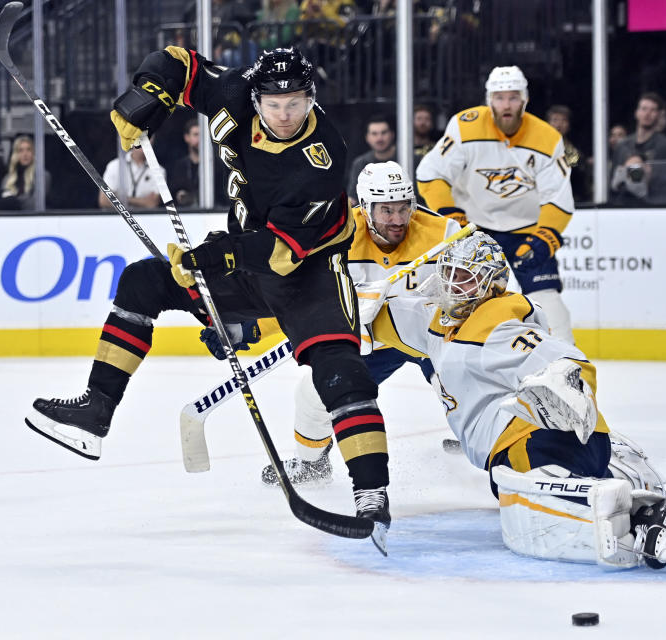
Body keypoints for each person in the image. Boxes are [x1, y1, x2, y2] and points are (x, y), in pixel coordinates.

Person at [25, 47, 393, 543]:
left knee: (341, 374)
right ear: (256, 97)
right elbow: (179, 62)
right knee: (143, 281)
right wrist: (145, 97)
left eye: (296, 103)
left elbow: (280, 251)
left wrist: (210, 259)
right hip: (244, 262)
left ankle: (372, 496)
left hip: (310, 275)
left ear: (311, 99)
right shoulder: (235, 93)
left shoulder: (321, 158)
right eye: (274, 103)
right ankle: (96, 411)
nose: (285, 114)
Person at [368, 231, 666, 569]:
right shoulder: (440, 320)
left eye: (466, 278)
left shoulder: (495, 324)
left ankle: (644, 514)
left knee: (546, 506)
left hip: (535, 442)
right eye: (449, 274)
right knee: (540, 494)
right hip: (546, 443)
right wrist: (353, 305)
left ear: (491, 285)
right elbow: (387, 320)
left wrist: (567, 384)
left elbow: (569, 362)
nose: (454, 286)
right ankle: (645, 504)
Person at [257, 160, 462, 485]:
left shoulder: (445, 233)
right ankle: (311, 465)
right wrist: (254, 328)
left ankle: (487, 443)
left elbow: (482, 287)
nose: (398, 220)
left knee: (466, 381)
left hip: (432, 335)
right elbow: (299, 297)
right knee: (314, 393)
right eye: (386, 211)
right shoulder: (336, 237)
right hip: (373, 339)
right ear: (365, 208)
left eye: (403, 208)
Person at [416, 65, 577, 342]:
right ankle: (457, 350)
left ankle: (566, 360)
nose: (506, 104)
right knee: (464, 297)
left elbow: (558, 196)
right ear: (489, 100)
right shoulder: (465, 126)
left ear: (524, 101)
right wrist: (451, 216)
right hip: (475, 231)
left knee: (546, 297)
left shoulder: (547, 138)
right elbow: (430, 174)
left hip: (527, 230)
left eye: (513, 97)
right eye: (500, 97)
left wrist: (545, 237)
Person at [610, 92, 666, 205]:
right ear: (636, 113)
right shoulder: (622, 146)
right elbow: (612, 183)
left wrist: (650, 175)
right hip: (622, 207)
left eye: (652, 110)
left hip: (653, 207)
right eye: (644, 109)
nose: (647, 114)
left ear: (658, 114)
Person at [346, 113, 396, 207]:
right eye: (374, 134)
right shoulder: (360, 164)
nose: (379, 138)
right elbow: (352, 198)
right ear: (367, 138)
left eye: (384, 133)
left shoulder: (408, 159)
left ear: (392, 135)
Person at [546, 104, 590, 202]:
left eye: (563, 120)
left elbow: (578, 169)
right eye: (555, 120)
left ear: (569, 125)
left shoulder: (574, 147)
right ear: (548, 124)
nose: (559, 124)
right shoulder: (538, 147)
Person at [98, 144, 162, 210]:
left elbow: (152, 203)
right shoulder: (114, 165)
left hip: (145, 218)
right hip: (116, 216)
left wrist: (120, 197)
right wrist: (142, 201)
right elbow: (104, 200)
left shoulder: (159, 170)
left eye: (149, 137)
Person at [1, 134, 51, 210]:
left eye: (28, 149)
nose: (25, 154)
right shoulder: (7, 179)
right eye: (20, 150)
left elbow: (35, 204)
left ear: (33, 153)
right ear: (15, 154)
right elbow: (3, 205)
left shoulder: (42, 176)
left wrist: (13, 202)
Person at [166, 118, 200, 208]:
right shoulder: (179, 167)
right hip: (184, 214)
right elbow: (173, 193)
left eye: (202, 135)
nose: (200, 139)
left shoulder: (215, 166)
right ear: (187, 137)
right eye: (196, 135)